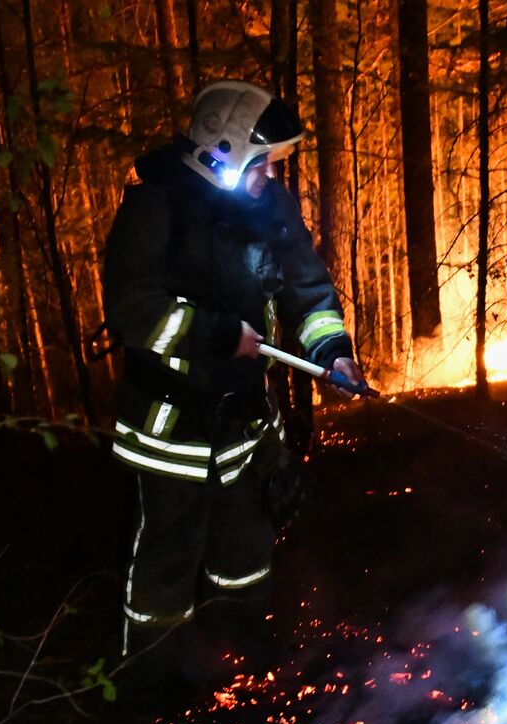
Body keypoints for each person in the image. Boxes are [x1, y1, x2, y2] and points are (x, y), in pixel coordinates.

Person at [102, 80, 363, 666]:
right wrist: (217, 335)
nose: (269, 177)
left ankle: (241, 669)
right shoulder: (154, 208)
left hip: (247, 425)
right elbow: (133, 310)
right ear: (222, 150)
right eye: (263, 164)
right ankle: (155, 685)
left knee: (246, 557)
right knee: (166, 568)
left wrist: (333, 353)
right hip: (170, 429)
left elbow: (307, 290)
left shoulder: (273, 208)